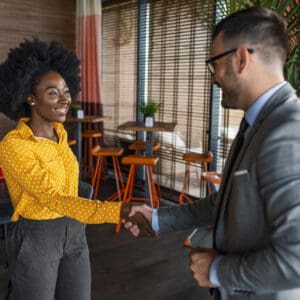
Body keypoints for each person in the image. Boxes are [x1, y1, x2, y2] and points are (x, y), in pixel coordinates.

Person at [123, 7, 300, 300]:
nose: (213, 78)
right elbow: (227, 200)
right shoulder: (256, 121)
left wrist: (217, 270)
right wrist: (156, 217)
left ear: (241, 59)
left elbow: (296, 259)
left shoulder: (287, 132)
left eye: (214, 63)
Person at [0, 38, 134, 300]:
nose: (64, 100)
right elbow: (53, 199)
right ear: (30, 97)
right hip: (37, 240)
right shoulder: (13, 146)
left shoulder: (61, 134)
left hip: (75, 235)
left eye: (66, 91)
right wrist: (118, 210)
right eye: (52, 92)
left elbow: (70, 188)